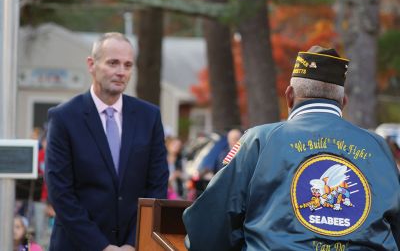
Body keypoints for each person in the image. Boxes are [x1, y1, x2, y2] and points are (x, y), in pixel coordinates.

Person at [183, 46, 400, 250]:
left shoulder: (259, 140)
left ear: (289, 96)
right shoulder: (379, 147)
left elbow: (209, 226)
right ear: (343, 101)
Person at [45, 32, 169, 251]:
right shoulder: (64, 118)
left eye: (128, 65)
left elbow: (157, 186)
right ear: (92, 64)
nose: (121, 72)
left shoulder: (149, 117)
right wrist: (101, 246)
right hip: (77, 245)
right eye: (113, 63)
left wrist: (134, 242)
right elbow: (60, 193)